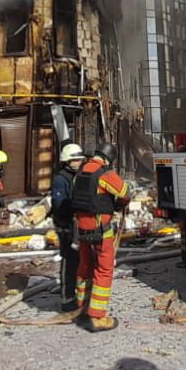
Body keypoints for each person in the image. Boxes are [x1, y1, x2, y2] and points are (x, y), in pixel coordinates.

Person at [72, 142, 129, 332]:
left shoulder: (80, 172)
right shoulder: (104, 174)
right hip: (100, 231)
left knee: (85, 267)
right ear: (108, 159)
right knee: (104, 270)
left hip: (82, 230)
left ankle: (82, 308)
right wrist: (119, 204)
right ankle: (97, 317)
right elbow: (125, 193)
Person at [51, 143, 86, 313]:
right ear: (66, 161)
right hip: (65, 226)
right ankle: (67, 299)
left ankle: (79, 293)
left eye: (80, 159)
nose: (78, 162)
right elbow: (59, 205)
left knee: (81, 261)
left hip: (78, 225)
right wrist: (76, 204)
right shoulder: (60, 179)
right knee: (69, 261)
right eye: (75, 160)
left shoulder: (81, 175)